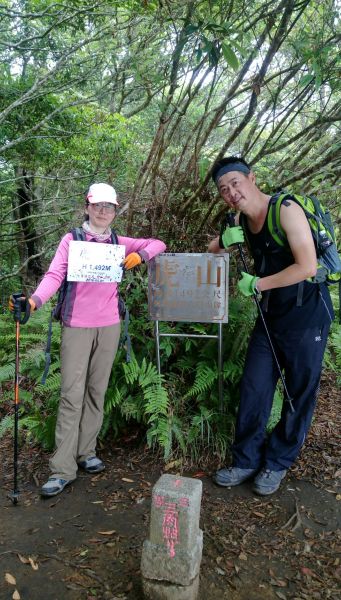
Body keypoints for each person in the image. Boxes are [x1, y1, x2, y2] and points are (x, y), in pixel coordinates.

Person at [10, 183, 166, 497]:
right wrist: (34, 302)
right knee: (71, 394)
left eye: (109, 206)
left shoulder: (118, 241)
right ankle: (62, 469)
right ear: (87, 207)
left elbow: (158, 243)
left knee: (97, 391)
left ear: (115, 210)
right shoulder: (72, 240)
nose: (104, 211)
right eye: (98, 205)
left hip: (109, 325)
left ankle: (87, 452)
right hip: (77, 326)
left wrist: (140, 256)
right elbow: (55, 275)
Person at [208, 157, 334, 495]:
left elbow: (307, 266)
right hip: (271, 317)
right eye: (224, 189)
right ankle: (246, 459)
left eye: (235, 183)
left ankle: (277, 461)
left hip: (307, 318)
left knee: (298, 394)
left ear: (251, 177)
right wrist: (225, 239)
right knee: (254, 388)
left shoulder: (286, 210)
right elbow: (211, 251)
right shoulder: (241, 220)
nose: (231, 192)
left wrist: (259, 284)